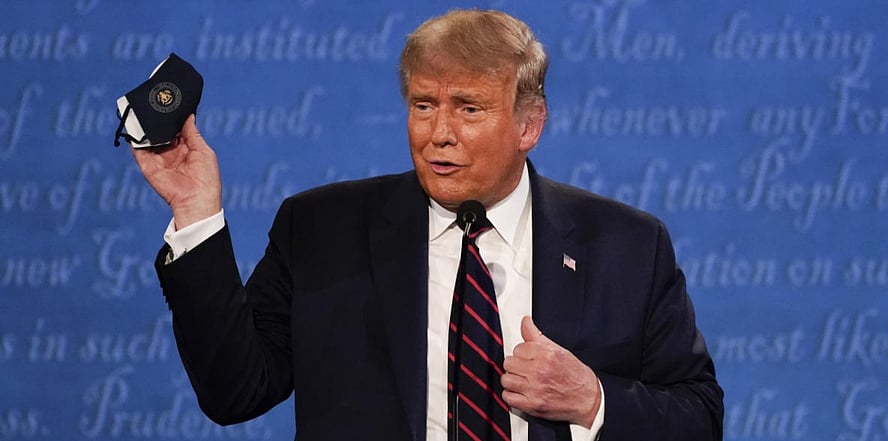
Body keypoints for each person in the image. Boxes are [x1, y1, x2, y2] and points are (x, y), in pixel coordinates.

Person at [132, 8, 724, 441]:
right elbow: (236, 391)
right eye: (423, 105)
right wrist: (195, 214)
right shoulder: (320, 230)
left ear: (529, 125)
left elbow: (698, 417)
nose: (438, 133)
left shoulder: (626, 246)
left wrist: (592, 400)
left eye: (469, 108)